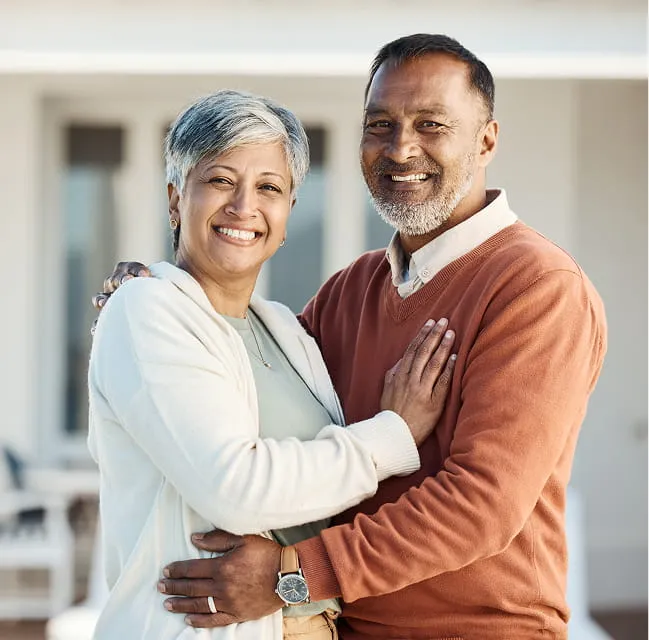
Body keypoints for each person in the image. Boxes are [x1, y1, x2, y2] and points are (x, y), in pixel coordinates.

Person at [97, 34, 607, 639]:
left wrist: (292, 577)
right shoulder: (349, 291)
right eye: (380, 124)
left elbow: (481, 505)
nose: (402, 148)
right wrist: (151, 287)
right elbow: (232, 380)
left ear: (487, 139)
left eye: (432, 124)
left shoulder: (536, 287)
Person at [87, 89, 457, 640]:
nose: (244, 207)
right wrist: (393, 435)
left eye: (269, 188)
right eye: (219, 180)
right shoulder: (146, 308)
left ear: (286, 216)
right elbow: (235, 489)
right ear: (174, 199)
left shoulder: (288, 331)